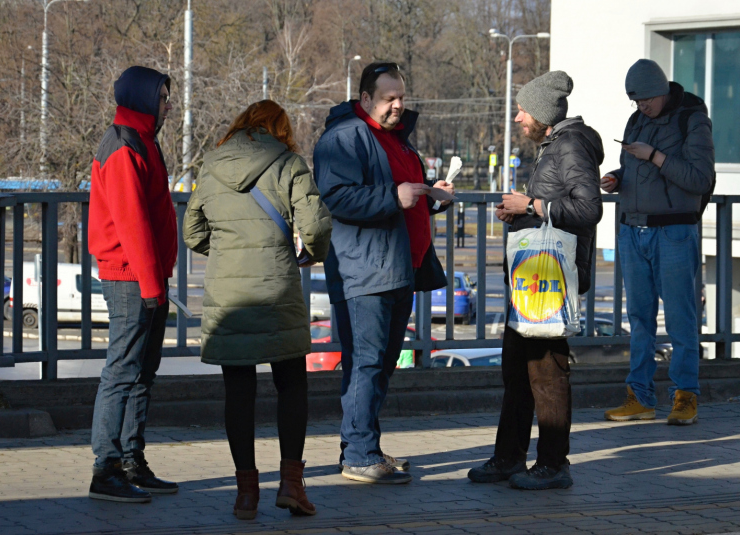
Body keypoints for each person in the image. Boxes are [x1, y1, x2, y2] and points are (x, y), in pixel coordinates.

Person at [183, 100, 332, 519]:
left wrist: (228, 250)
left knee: (239, 392)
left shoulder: (211, 165)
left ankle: (246, 494)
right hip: (276, 288)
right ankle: (290, 485)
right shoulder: (288, 163)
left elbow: (192, 230)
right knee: (291, 385)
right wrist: (311, 255)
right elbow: (317, 225)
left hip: (230, 294)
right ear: (278, 129)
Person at [313, 62, 454, 484]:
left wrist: (432, 197)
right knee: (367, 363)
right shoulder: (344, 137)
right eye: (389, 98)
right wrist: (395, 195)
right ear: (366, 100)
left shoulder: (396, 141)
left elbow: (406, 197)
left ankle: (362, 446)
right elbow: (337, 197)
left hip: (398, 268)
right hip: (365, 271)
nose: (398, 106)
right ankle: (359, 453)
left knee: (381, 363)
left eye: (401, 97)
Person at [467, 71, 604, 490]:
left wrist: (533, 204)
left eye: (523, 110)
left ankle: (552, 464)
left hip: (549, 283)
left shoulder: (571, 145)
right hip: (532, 281)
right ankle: (509, 458)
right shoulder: (554, 145)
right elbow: (554, 207)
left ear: (544, 113)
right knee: (516, 372)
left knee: (546, 374)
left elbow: (588, 209)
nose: (517, 118)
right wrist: (523, 212)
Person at [602, 59, 714, 426]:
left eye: (646, 99)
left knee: (681, 318)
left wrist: (654, 155)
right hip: (634, 229)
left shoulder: (691, 118)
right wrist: (618, 178)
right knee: (639, 318)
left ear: (662, 90)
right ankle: (640, 396)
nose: (641, 107)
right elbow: (637, 169)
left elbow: (699, 178)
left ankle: (685, 396)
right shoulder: (637, 120)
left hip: (674, 231)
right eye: (635, 101)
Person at [88, 66, 178, 503]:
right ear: (143, 98)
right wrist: (149, 286)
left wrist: (158, 277)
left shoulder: (143, 140)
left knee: (142, 372)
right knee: (122, 372)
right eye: (163, 97)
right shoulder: (123, 146)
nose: (168, 106)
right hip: (131, 278)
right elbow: (133, 224)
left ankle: (131, 461)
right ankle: (105, 469)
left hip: (146, 275)